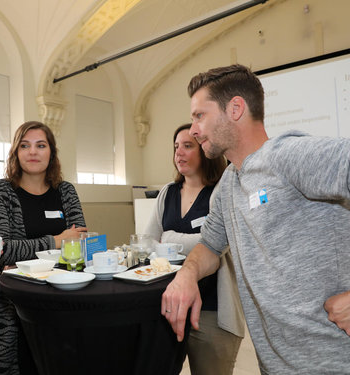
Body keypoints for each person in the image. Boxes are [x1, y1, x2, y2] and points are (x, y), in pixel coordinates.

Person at [161, 64, 350, 374]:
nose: (193, 129)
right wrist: (186, 275)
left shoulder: (290, 156)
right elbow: (209, 246)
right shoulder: (228, 183)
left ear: (235, 108)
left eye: (199, 115)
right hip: (275, 366)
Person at [0, 121, 87, 374]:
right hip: (10, 305)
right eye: (25, 146)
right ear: (16, 152)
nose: (33, 152)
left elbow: (81, 243)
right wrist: (57, 241)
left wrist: (25, 254)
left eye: (41, 145)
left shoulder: (65, 191)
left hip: (61, 298)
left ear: (52, 152)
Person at [145, 123, 244, 374]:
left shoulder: (221, 191)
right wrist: (188, 241)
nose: (179, 153)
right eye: (176, 147)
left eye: (187, 146)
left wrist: (166, 240)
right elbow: (145, 242)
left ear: (205, 151)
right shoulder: (167, 192)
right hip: (168, 305)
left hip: (212, 310)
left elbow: (216, 244)